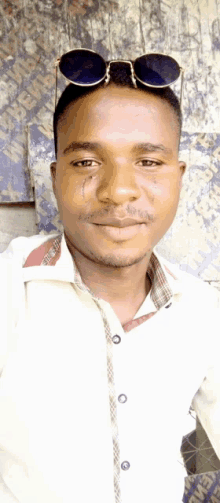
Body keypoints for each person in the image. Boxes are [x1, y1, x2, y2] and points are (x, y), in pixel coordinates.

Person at [0, 55, 219, 503]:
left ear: (178, 178)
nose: (119, 190)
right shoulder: (9, 293)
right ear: (56, 176)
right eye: (85, 162)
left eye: (149, 162)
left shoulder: (202, 310)